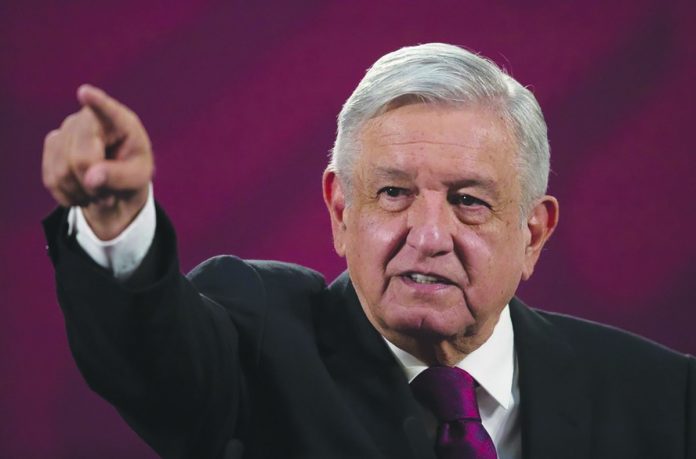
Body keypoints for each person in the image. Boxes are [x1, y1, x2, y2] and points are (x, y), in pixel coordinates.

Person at [42, 43, 695, 459]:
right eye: (392, 192)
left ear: (532, 233)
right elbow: (153, 354)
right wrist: (117, 219)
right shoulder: (258, 347)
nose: (429, 234)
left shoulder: (666, 399)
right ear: (340, 210)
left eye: (469, 199)